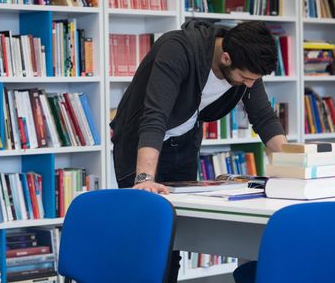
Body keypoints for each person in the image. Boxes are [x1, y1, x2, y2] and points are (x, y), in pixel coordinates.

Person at [110, 19, 288, 283]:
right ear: (225, 58)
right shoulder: (177, 48)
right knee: (146, 235)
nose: (249, 85)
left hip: (183, 144)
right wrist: (144, 179)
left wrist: (295, 164)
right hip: (140, 144)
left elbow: (263, 118)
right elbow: (155, 116)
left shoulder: (246, 60)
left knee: (173, 240)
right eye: (245, 78)